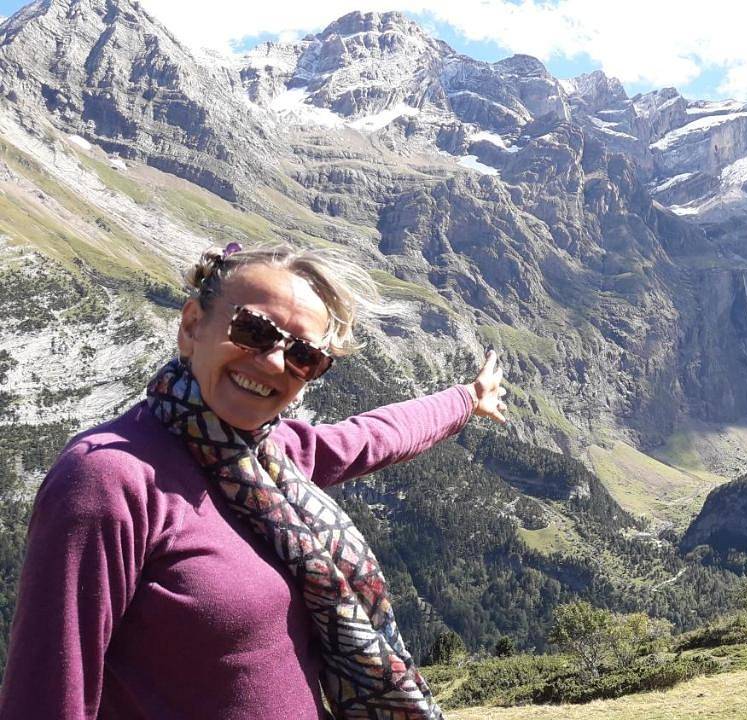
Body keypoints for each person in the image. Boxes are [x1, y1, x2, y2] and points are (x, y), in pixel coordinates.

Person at [0, 243, 507, 719]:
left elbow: (373, 436)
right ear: (192, 325)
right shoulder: (107, 478)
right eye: (253, 330)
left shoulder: (269, 458)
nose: (272, 362)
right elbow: (45, 692)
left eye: (304, 356)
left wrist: (467, 398)